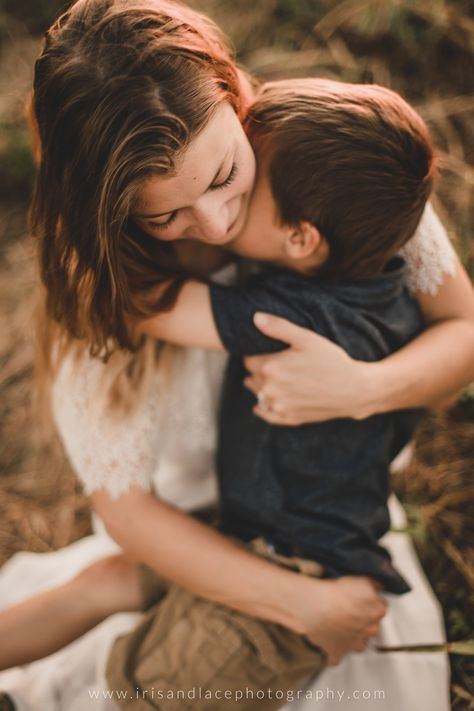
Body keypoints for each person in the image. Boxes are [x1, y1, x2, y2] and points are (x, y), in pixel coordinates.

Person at [0, 0, 472, 709]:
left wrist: (361, 388)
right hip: (189, 542)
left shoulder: (328, 163)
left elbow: (463, 329)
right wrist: (295, 602)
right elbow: (131, 515)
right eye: (164, 215)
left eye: (224, 174)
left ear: (235, 97)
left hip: (325, 530)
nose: (217, 223)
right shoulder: (107, 275)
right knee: (123, 608)